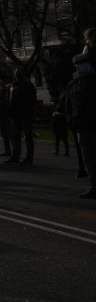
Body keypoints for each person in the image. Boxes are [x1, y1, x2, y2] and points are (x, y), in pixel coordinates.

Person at [66, 52, 96, 198]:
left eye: (84, 63)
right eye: (79, 64)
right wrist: (72, 120)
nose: (81, 66)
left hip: (93, 123)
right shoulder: (73, 84)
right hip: (81, 126)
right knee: (88, 158)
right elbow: (69, 105)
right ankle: (94, 185)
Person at [7, 68, 37, 166]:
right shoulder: (13, 86)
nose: (16, 75)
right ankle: (15, 156)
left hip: (25, 115)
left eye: (18, 73)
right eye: (16, 73)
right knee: (15, 137)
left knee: (27, 137)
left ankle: (29, 158)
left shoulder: (28, 85)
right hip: (15, 115)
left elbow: (32, 100)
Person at [0, 79, 13, 157]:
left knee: (9, 135)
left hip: (5, 117)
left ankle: (15, 151)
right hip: (0, 117)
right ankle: (7, 151)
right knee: (4, 135)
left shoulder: (5, 93)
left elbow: (5, 105)